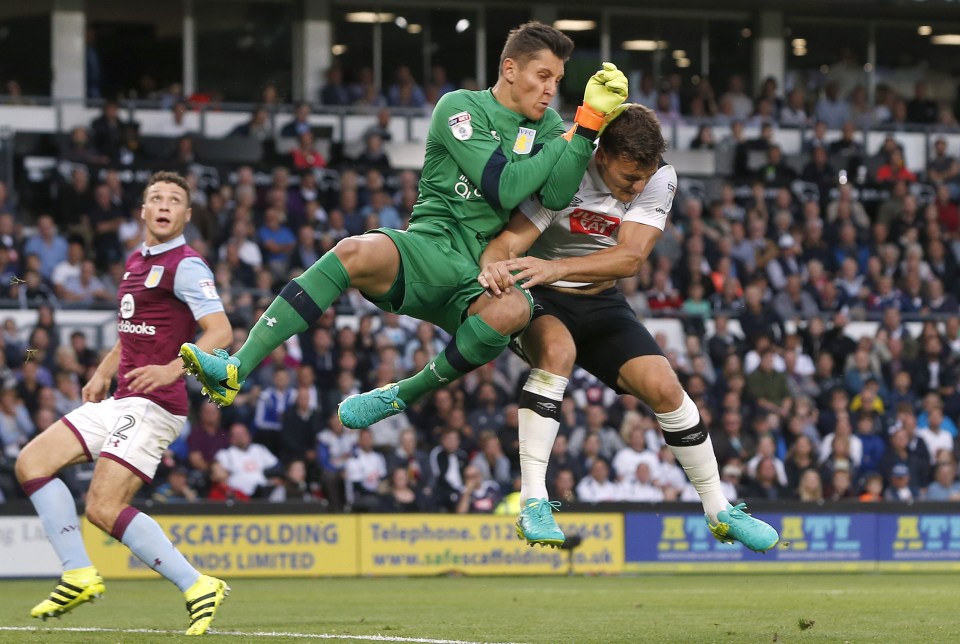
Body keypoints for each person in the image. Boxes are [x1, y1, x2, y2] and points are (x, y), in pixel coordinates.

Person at [180, 23, 628, 427]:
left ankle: (400, 394)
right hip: (428, 250)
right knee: (353, 250)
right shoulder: (460, 108)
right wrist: (567, 139)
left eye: (557, 80)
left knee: (516, 309)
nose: (551, 89)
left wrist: (585, 129)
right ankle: (237, 367)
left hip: (480, 270)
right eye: (543, 76)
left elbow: (553, 195)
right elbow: (505, 188)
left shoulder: (549, 125)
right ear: (510, 69)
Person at [478, 103, 779, 552]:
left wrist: (555, 267)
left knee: (665, 386)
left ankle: (719, 510)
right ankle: (533, 502)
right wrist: (496, 270)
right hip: (541, 299)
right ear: (601, 157)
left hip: (598, 299)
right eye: (627, 179)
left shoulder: (659, 177)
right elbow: (508, 243)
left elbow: (631, 258)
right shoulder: (568, 168)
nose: (636, 188)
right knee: (557, 353)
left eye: (644, 177)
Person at [13, 171, 233, 635]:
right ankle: (77, 572)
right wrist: (102, 372)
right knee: (32, 462)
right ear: (143, 211)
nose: (164, 205)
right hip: (123, 396)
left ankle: (197, 585)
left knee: (102, 506)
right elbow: (132, 330)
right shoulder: (135, 260)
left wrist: (172, 369)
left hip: (158, 403)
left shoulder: (187, 265)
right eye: (156, 198)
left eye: (174, 199)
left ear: (186, 215)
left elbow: (220, 333)